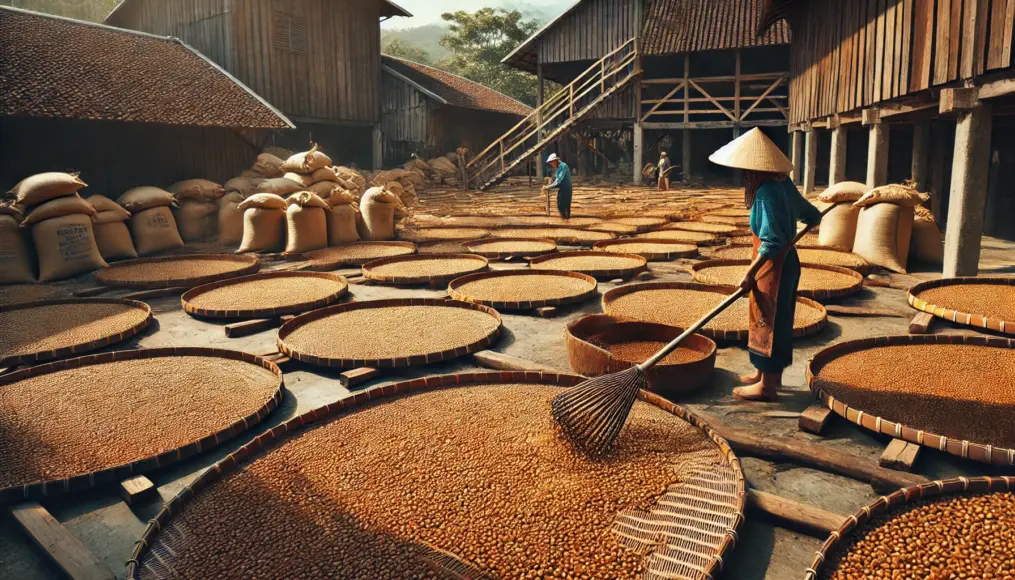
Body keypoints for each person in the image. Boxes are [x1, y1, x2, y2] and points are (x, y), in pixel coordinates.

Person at [708, 128, 822, 402]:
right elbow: (813, 215)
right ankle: (765, 374)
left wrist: (750, 273)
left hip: (772, 266)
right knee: (775, 319)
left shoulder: (766, 193)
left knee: (769, 320)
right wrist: (794, 229)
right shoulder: (783, 185)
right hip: (788, 262)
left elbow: (770, 241)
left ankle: (767, 387)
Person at [542, 153, 572, 219]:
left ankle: (567, 221)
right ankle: (565, 221)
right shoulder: (559, 168)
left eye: (551, 162)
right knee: (560, 206)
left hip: (566, 189)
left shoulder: (563, 166)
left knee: (565, 206)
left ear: (555, 161)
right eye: (550, 163)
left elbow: (559, 181)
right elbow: (556, 180)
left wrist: (548, 187)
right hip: (562, 189)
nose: (551, 164)